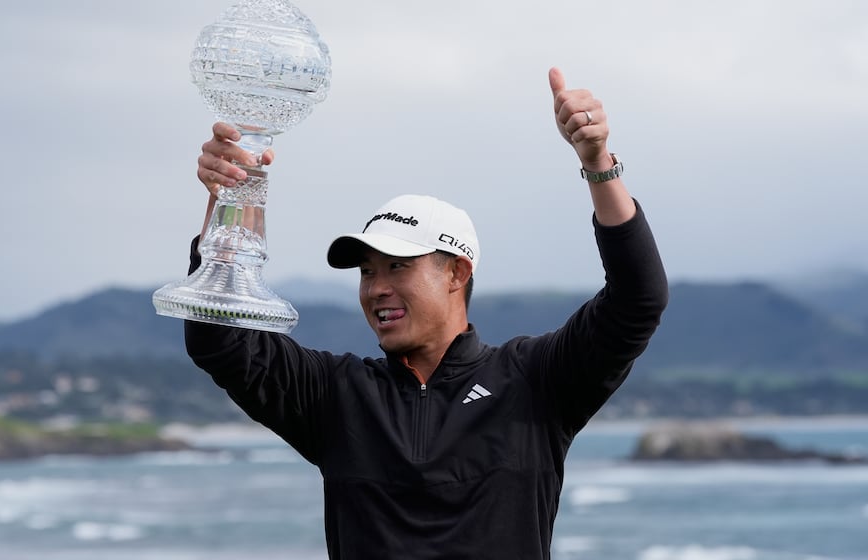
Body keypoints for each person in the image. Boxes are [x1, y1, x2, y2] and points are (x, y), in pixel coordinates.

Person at [186, 67, 668, 559]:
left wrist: (597, 163)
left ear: (456, 273)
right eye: (367, 272)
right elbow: (220, 340)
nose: (377, 289)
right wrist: (229, 198)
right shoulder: (337, 395)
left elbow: (637, 299)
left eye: (397, 267)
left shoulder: (534, 382)